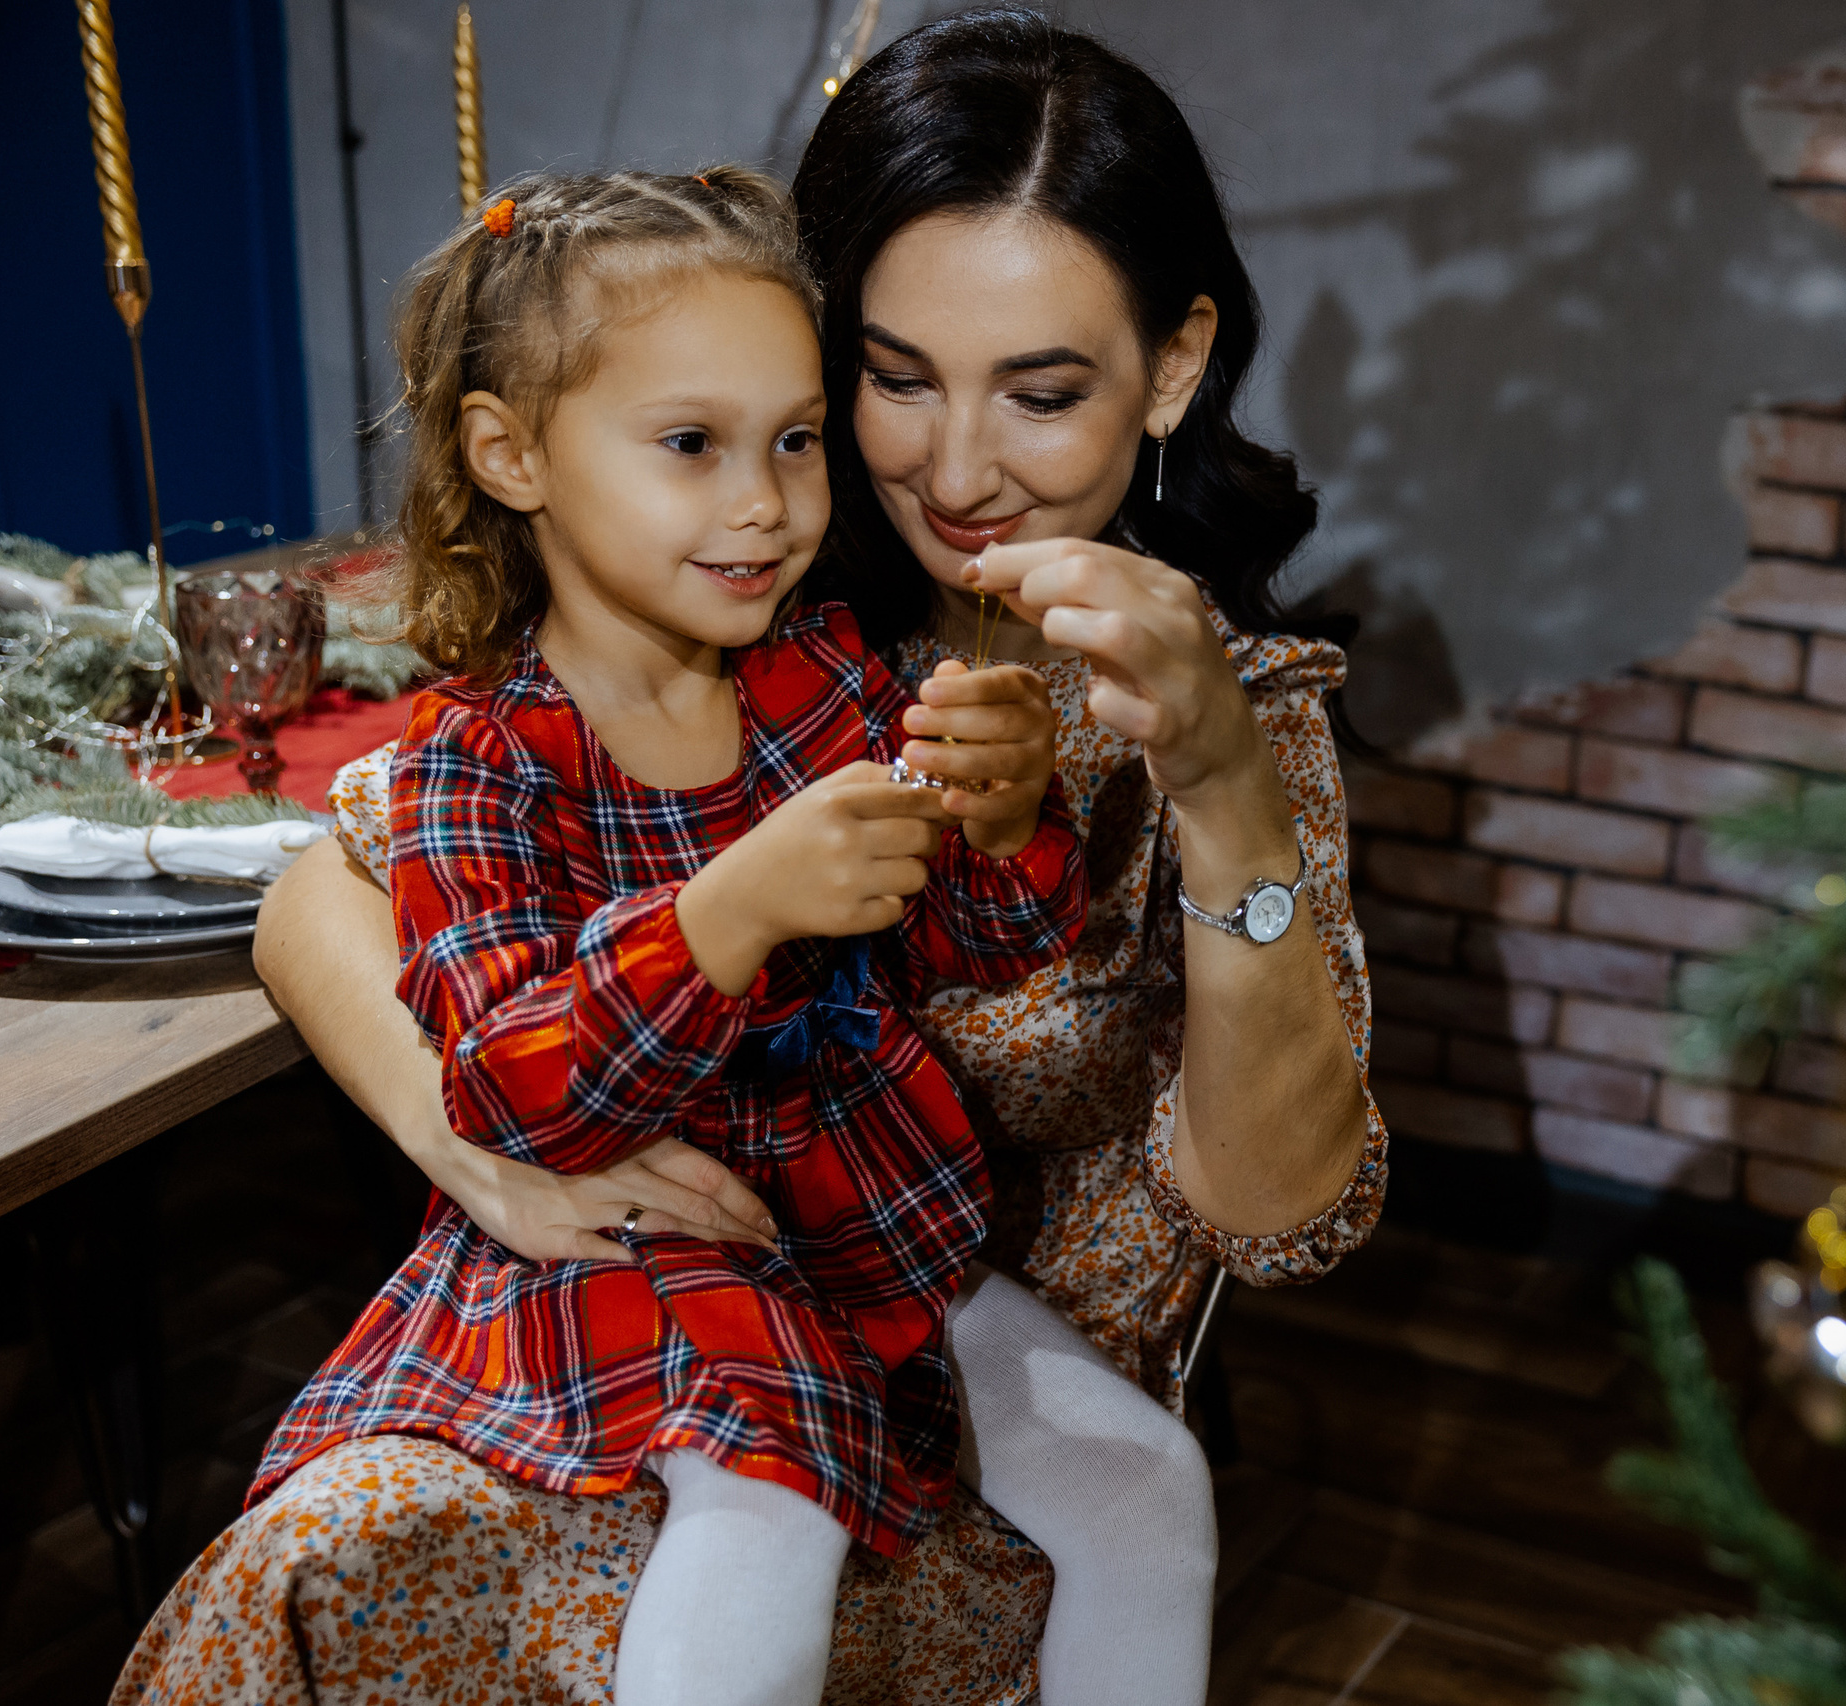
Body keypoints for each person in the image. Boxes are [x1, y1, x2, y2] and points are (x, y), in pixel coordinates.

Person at [116, 12, 1388, 1705]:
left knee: (1107, 1498)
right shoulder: (728, 634)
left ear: (1171, 365)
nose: (947, 468)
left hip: (919, 1334)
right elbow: (324, 894)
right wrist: (495, 1155)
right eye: (892, 378)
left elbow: (1253, 1189)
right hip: (665, 1306)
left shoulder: (983, 690)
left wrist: (1159, 792)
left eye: (1044, 389)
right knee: (334, 1563)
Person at [249, 161, 1095, 1706]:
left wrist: (1007, 812)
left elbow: (985, 940)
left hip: (862, 1238)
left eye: (792, 441)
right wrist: (723, 914)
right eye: (691, 445)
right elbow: (508, 1083)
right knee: (760, 1534)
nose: (764, 503)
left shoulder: (824, 681)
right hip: (643, 1261)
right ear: (511, 454)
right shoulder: (477, 764)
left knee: (1149, 1480)